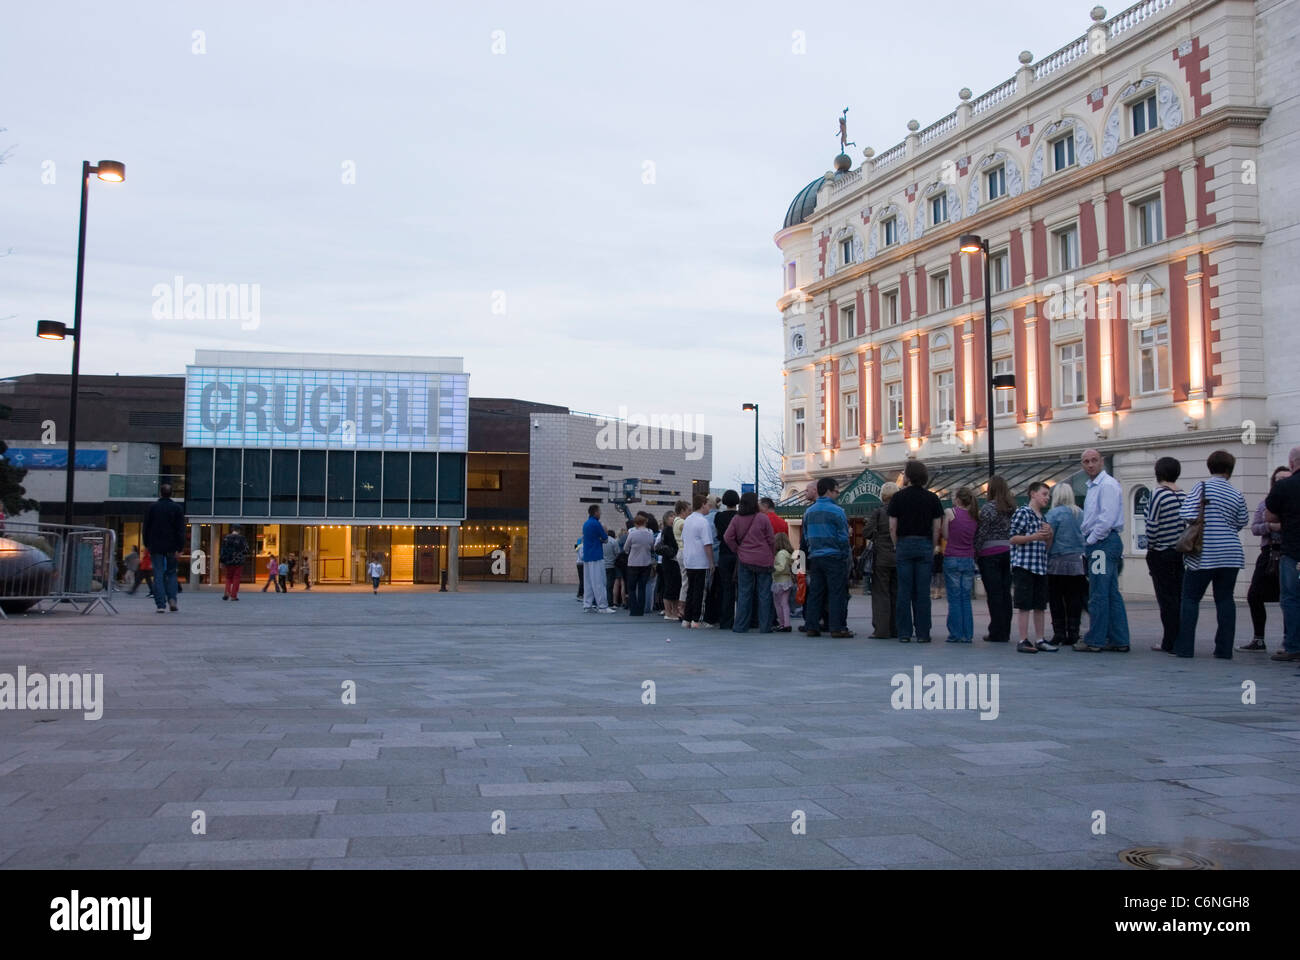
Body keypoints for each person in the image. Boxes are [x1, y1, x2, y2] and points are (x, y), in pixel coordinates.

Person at [1174, 450, 1249, 659]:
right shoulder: (1236, 493)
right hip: (1231, 553)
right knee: (1225, 599)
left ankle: (1185, 647)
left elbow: (1187, 513)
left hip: (1204, 552)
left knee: (1190, 598)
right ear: (1229, 470)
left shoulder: (1202, 487)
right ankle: (1224, 649)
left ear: (1210, 467)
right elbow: (1242, 521)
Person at [1079, 448, 1131, 652]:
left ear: (1101, 462)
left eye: (1093, 460)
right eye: (1086, 461)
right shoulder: (1095, 486)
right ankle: (1119, 638)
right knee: (1109, 592)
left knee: (1099, 592)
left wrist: (1090, 541)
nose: (1090, 465)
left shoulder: (1106, 485)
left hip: (1102, 543)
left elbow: (1106, 519)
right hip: (1103, 542)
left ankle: (1096, 639)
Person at [889, 460, 942, 643]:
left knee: (904, 591)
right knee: (922, 592)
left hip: (904, 544)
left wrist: (897, 545)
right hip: (924, 544)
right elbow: (937, 528)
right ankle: (923, 633)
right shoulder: (932, 498)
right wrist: (932, 545)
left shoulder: (897, 498)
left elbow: (892, 527)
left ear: (909, 476)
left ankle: (904, 632)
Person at [1242, 466, 1292, 651]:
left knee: (1289, 599)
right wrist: (1270, 526)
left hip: (1290, 554)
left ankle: (1290, 640)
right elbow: (1255, 528)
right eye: (1279, 479)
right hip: (1269, 554)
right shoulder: (1266, 503)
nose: (1282, 482)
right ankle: (1258, 638)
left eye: (1287, 478)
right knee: (1254, 595)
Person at [1143, 457, 1186, 653]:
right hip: (1180, 552)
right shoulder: (1184, 495)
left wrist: (1150, 546)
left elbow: (1152, 525)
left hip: (1161, 552)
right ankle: (1180, 637)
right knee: (1178, 597)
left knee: (1166, 599)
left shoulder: (1157, 495)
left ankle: (1169, 641)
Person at [802, 477, 853, 638]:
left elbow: (806, 536)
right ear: (829, 491)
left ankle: (812, 626)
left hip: (816, 556)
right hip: (834, 556)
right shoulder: (838, 511)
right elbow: (843, 537)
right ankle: (837, 627)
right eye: (836, 491)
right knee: (836, 593)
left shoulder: (808, 512)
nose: (837, 494)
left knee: (815, 592)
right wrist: (844, 554)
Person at [1010, 481, 1056, 653]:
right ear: (1033, 494)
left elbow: (1047, 545)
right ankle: (1023, 639)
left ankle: (1040, 638)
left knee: (1040, 604)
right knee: (1024, 604)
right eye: (1044, 494)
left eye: (1048, 495)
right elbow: (1013, 538)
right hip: (1024, 565)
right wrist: (1034, 536)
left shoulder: (1043, 518)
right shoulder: (1023, 512)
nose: (1047, 498)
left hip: (1040, 565)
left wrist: (1049, 534)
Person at [1264, 446, 1300, 662]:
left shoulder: (1284, 486)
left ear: (1292, 463)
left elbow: (1270, 516)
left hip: (1294, 552)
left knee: (1292, 599)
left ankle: (1293, 645)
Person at [725, 491, 776, 633]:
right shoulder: (763, 518)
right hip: (764, 559)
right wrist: (771, 555)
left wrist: (738, 550)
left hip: (744, 559)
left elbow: (727, 537)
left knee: (744, 593)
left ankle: (741, 625)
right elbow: (771, 540)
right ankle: (765, 626)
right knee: (764, 594)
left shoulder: (736, 519)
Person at [1045, 482, 1088, 646]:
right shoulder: (1080, 513)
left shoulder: (1053, 514)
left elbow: (1049, 537)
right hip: (1077, 561)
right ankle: (1074, 632)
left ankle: (1059, 632)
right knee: (1074, 598)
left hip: (1057, 561)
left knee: (1056, 598)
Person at [976, 475, 1016, 644]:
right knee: (1006, 593)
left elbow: (983, 532)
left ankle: (996, 631)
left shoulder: (988, 509)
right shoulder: (1012, 508)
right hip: (1008, 551)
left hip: (989, 554)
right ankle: (1005, 630)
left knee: (994, 594)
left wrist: (975, 550)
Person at [142, 482, 186, 614]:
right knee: (171, 573)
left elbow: (146, 528)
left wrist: (147, 544)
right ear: (171, 493)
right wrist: (180, 547)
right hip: (172, 547)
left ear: (160, 493)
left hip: (156, 546)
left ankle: (160, 604)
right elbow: (180, 530)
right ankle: (172, 599)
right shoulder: (177, 508)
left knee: (158, 574)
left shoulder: (152, 508)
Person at [942, 486, 978, 643]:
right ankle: (967, 634)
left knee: (954, 598)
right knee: (965, 598)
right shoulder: (975, 516)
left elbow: (945, 535)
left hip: (952, 557)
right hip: (968, 558)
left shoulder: (950, 512)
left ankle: (955, 633)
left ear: (957, 499)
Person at [863, 482, 898, 638]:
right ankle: (896, 628)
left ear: (882, 496)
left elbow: (866, 532)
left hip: (882, 558)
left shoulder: (879, 512)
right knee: (896, 593)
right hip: (898, 557)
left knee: (881, 594)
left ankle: (882, 630)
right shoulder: (900, 513)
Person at [681, 494, 715, 628]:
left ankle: (687, 619)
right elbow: (707, 544)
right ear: (702, 505)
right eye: (707, 505)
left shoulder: (688, 520)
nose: (709, 507)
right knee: (700, 591)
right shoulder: (703, 522)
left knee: (690, 590)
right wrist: (711, 561)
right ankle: (696, 619)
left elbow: (684, 539)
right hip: (701, 560)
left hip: (689, 559)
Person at [712, 491, 740, 629]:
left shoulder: (719, 516)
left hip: (724, 554)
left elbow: (719, 534)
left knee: (726, 588)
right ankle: (741, 619)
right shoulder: (740, 516)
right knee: (741, 588)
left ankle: (725, 620)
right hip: (738, 554)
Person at [581, 505, 615, 613]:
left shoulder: (585, 524)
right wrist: (600, 539)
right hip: (596, 556)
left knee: (588, 582)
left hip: (587, 556)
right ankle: (603, 606)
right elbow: (605, 538)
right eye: (599, 512)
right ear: (595, 512)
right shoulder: (596, 523)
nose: (600, 514)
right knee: (599, 581)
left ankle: (587, 605)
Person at [623, 514, 655, 617]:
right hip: (646, 563)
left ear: (636, 523)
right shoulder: (650, 534)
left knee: (631, 588)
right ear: (645, 522)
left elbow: (625, 548)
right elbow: (652, 547)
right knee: (642, 587)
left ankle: (633, 610)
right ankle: (641, 610)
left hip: (633, 563)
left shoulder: (632, 534)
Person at [657, 510, 683, 621]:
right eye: (671, 516)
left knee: (674, 586)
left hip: (669, 560)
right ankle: (669, 612)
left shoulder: (667, 530)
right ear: (666, 519)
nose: (674, 518)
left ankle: (673, 611)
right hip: (670, 560)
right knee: (670, 586)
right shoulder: (668, 530)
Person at [771, 531, 795, 632]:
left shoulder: (781, 554)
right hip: (787, 580)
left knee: (778, 603)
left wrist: (772, 568)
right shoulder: (788, 553)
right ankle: (787, 623)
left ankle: (782, 624)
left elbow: (781, 568)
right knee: (785, 603)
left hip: (780, 581)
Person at [219, 525, 249, 601]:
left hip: (228, 561)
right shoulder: (242, 538)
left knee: (228, 577)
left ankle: (227, 593)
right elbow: (246, 550)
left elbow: (222, 551)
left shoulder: (226, 538)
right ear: (239, 530)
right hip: (239, 561)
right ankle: (233, 595)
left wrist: (222, 561)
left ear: (232, 530)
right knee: (236, 578)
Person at [603, 527, 621, 610]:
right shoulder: (613, 541)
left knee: (601, 585)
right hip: (611, 565)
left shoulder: (598, 540)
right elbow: (618, 553)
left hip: (601, 565)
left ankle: (600, 601)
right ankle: (609, 602)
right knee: (609, 585)